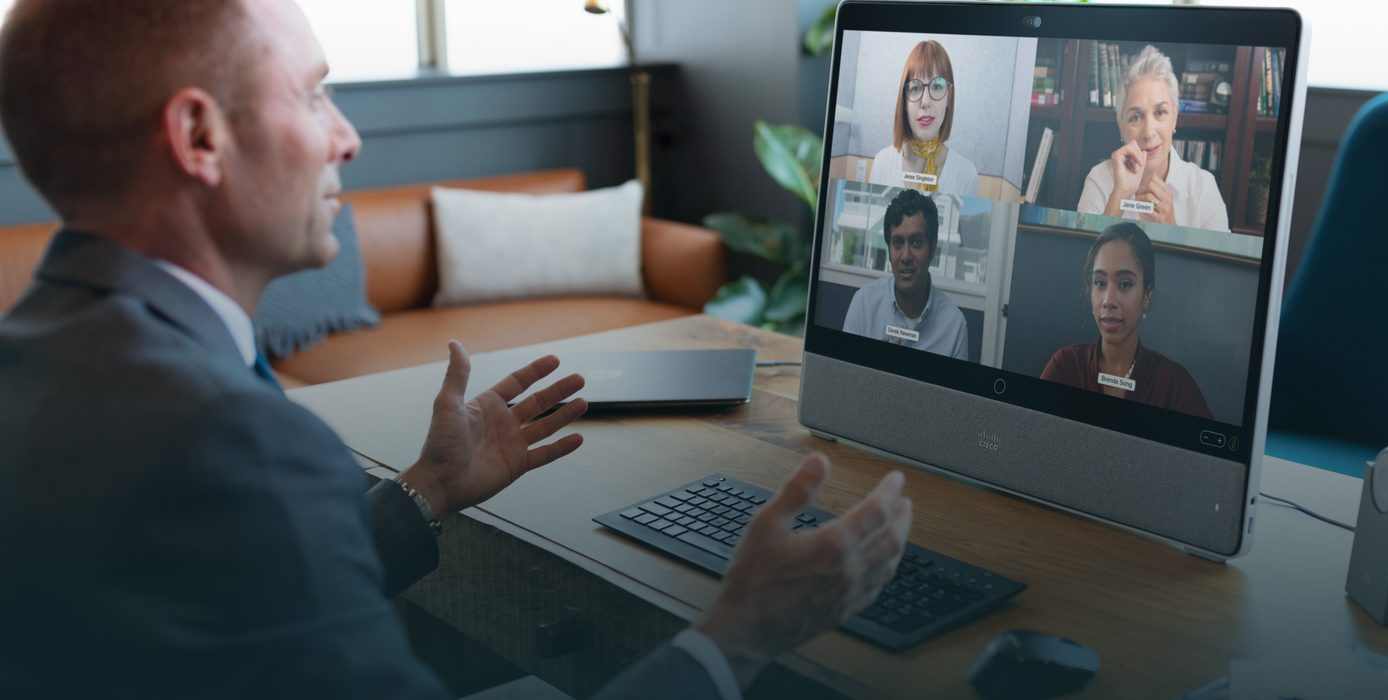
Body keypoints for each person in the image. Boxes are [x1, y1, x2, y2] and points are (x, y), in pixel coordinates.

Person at [0, 1, 911, 698]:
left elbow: (224, 589)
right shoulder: (234, 447)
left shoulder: (36, 359)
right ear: (199, 137)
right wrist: (738, 634)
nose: (346, 138)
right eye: (314, 95)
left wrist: (427, 491)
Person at [1041, 223, 1212, 418]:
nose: (1109, 301)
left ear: (1147, 295)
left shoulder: (1174, 385)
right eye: (1100, 283)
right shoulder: (1064, 367)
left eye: (1125, 284)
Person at [1075, 45, 1230, 232]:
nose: (1149, 133)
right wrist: (1119, 195)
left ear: (1175, 117)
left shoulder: (1203, 188)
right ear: (1121, 126)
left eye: (1160, 112)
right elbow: (1086, 258)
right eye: (1136, 117)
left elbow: (1213, 262)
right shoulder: (1100, 179)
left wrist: (1172, 226)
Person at [841, 189, 971, 361]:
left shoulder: (955, 326)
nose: (906, 256)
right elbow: (844, 381)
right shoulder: (863, 305)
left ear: (932, 250)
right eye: (897, 243)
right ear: (889, 250)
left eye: (916, 242)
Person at [867, 39, 980, 198]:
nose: (925, 102)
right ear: (904, 101)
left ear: (949, 96)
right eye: (915, 88)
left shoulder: (967, 175)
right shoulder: (882, 163)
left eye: (937, 86)